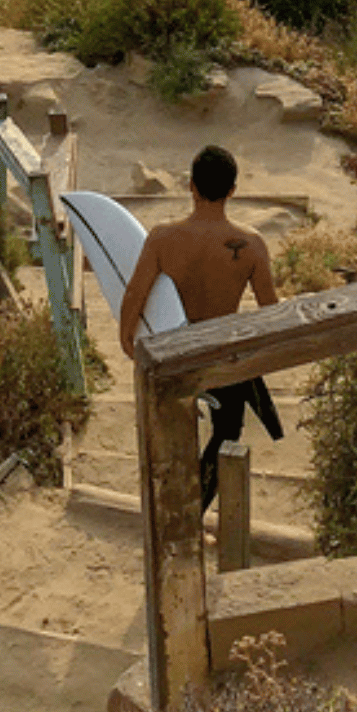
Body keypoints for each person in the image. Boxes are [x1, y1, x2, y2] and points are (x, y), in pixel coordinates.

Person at [120, 143, 283, 512]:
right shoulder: (252, 245)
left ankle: (171, 510)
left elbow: (135, 293)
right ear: (232, 191)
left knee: (172, 432)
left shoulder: (162, 238)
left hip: (176, 350)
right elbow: (269, 311)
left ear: (191, 186)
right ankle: (191, 511)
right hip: (223, 353)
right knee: (226, 434)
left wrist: (127, 339)